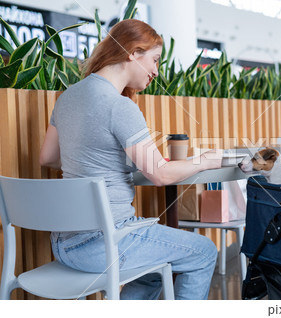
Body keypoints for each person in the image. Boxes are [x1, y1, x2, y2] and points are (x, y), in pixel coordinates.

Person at [39, 19, 222, 300]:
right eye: (155, 60)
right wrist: (207, 160)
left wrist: (106, 160)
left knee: (152, 273)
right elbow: (159, 174)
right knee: (204, 252)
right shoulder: (119, 106)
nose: (156, 71)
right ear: (133, 53)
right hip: (106, 243)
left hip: (64, 243)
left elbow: (49, 158)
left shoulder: (67, 97)